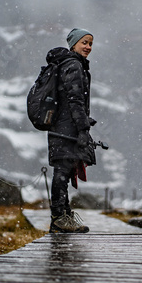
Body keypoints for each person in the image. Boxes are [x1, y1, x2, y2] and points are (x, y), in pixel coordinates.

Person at [46, 28, 97, 233]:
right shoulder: (73, 65)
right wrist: (82, 128)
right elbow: (75, 98)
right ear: (73, 44)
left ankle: (63, 217)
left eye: (91, 44)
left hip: (62, 126)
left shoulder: (68, 64)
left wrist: (84, 121)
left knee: (63, 171)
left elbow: (70, 100)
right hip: (66, 130)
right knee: (62, 171)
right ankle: (59, 218)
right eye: (84, 42)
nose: (88, 47)